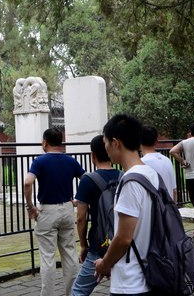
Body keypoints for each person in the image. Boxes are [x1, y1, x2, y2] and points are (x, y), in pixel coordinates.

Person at [94, 114, 161, 296]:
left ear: (116, 143)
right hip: (152, 271)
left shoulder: (130, 181)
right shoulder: (150, 173)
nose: (105, 148)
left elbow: (124, 238)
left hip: (131, 281)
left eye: (105, 142)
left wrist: (104, 264)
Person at [24, 127, 85, 296]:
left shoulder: (39, 161)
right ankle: (73, 293)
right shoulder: (71, 161)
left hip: (47, 211)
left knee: (48, 257)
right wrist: (78, 199)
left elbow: (27, 182)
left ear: (45, 142)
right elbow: (86, 179)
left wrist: (30, 207)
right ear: (60, 142)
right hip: (67, 209)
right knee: (70, 254)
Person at [71, 135, 122, 296]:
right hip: (121, 241)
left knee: (79, 290)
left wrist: (83, 245)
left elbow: (81, 218)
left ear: (93, 155)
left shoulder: (88, 180)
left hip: (99, 243)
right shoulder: (123, 176)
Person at [140, 125, 178, 202]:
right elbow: (174, 191)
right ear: (156, 142)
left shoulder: (140, 164)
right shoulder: (167, 160)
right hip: (168, 207)